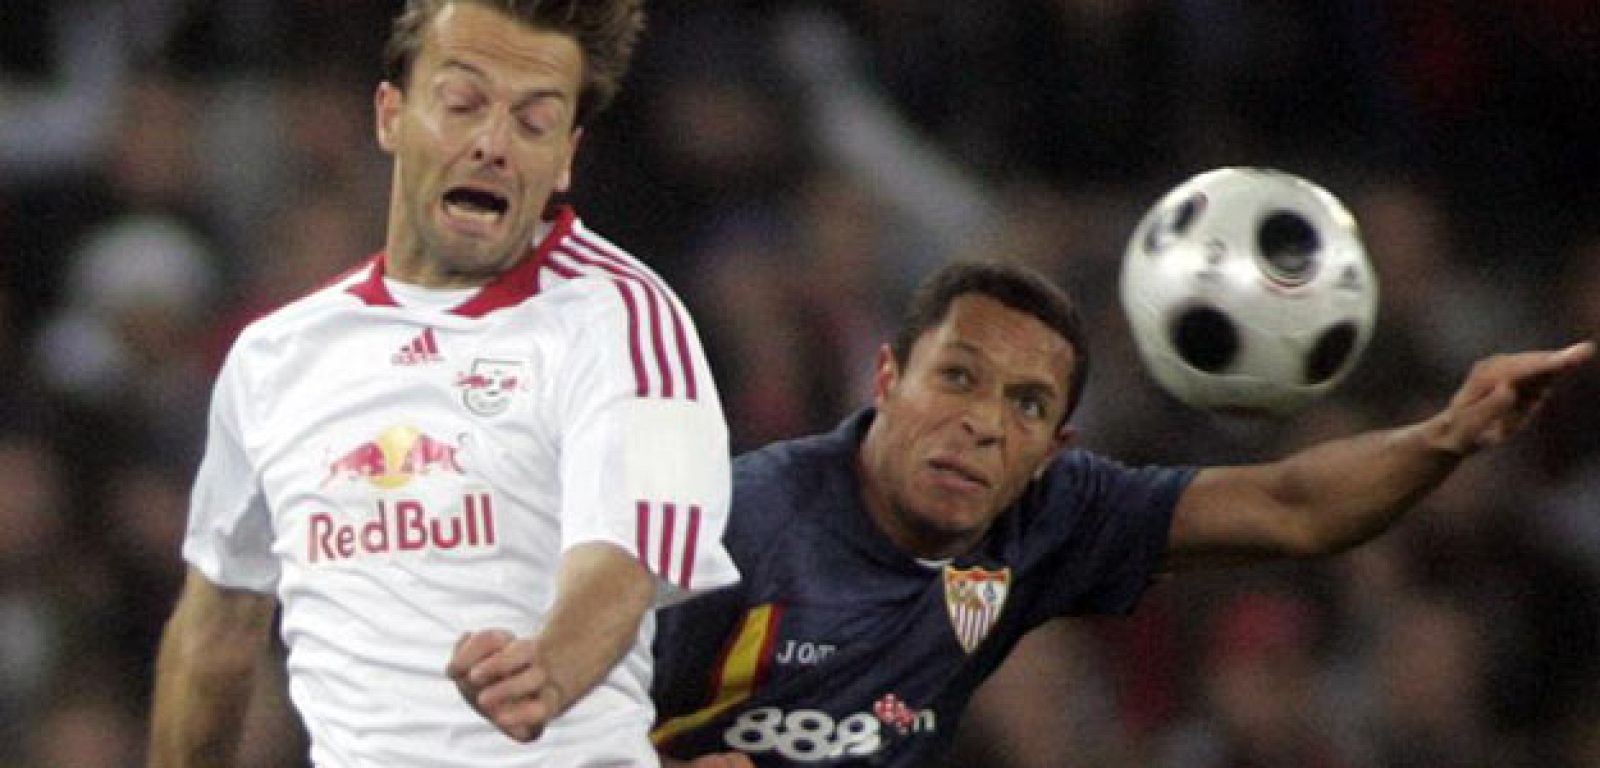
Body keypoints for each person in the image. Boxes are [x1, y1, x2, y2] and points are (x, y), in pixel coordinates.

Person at [649, 259, 1594, 766]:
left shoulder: (1052, 514)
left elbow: (1292, 507)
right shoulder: (742, 527)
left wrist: (1447, 437)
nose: (981, 425)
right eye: (958, 378)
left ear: (1055, 445)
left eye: (1025, 404)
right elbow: (525, 717)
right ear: (888, 377)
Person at [148, 2, 745, 766]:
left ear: (565, 157)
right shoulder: (273, 359)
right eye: (463, 104)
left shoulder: (624, 317)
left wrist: (552, 668)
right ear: (390, 114)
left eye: (533, 123)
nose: (493, 144)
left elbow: (628, 560)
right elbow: (217, 627)